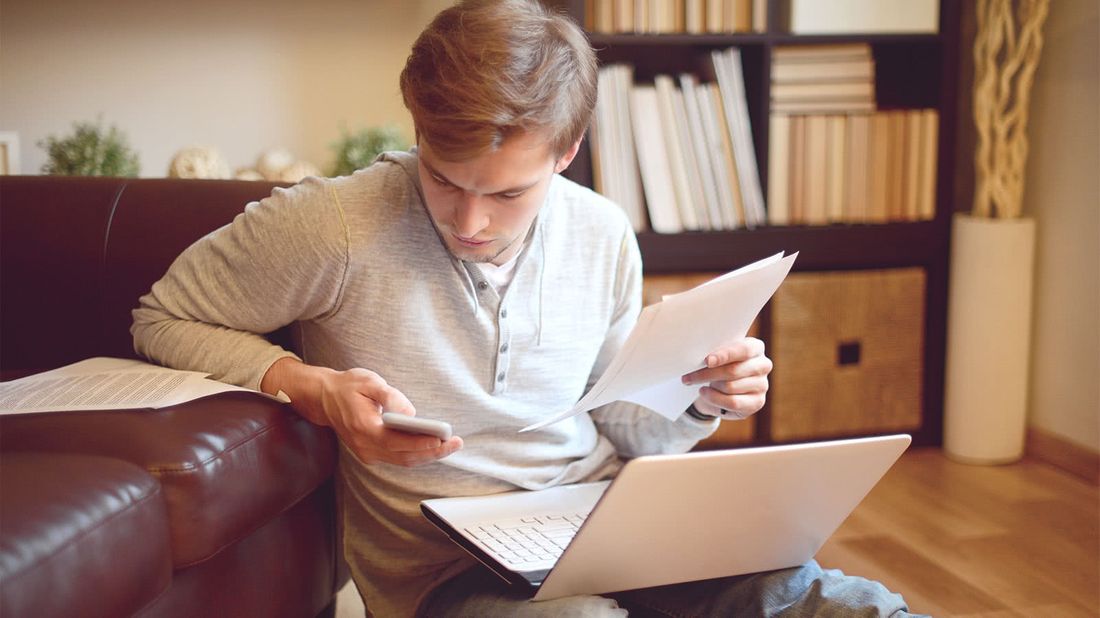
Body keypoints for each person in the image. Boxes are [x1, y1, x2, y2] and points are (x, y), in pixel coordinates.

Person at [132, 0, 920, 615]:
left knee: (835, 602)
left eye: (508, 193)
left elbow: (623, 427)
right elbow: (162, 318)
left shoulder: (603, 230)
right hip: (444, 571)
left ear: (567, 151)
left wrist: (701, 396)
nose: (470, 222)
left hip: (610, 526)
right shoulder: (336, 224)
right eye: (444, 180)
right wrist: (305, 383)